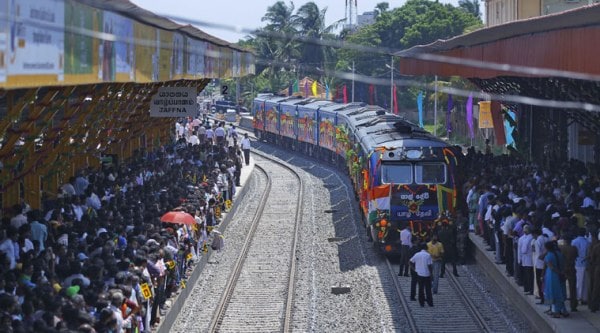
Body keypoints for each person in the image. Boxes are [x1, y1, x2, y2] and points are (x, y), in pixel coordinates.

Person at [544, 241, 568, 318]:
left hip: (552, 276)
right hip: (561, 275)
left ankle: (555, 311)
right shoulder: (559, 254)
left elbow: (551, 267)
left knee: (552, 293)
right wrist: (562, 272)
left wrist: (559, 272)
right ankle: (563, 310)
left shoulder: (548, 256)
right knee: (560, 292)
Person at [410, 243, 433, 307]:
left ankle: (421, 303)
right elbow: (429, 266)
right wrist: (431, 275)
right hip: (427, 274)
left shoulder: (417, 254)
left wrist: (414, 269)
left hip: (419, 274)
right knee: (428, 289)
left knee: (421, 289)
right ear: (426, 248)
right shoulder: (428, 255)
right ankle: (430, 302)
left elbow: (410, 262)